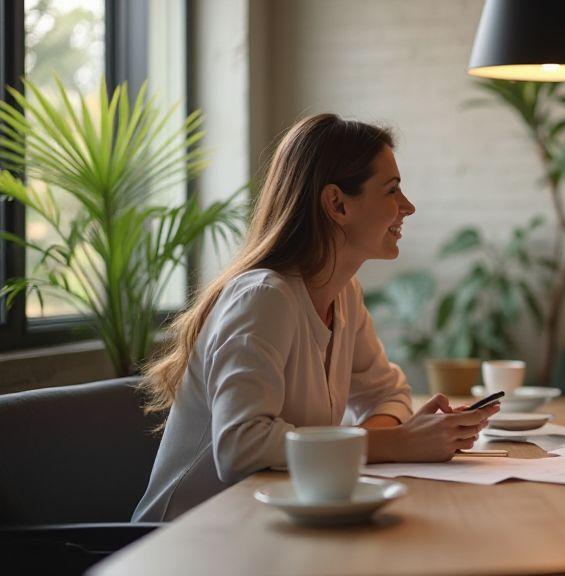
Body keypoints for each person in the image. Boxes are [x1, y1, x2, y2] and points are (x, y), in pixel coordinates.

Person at [133, 115, 498, 522]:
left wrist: (393, 439)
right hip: (185, 542)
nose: (407, 207)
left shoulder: (344, 294)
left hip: (274, 524)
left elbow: (387, 393)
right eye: (392, 190)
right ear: (337, 204)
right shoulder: (263, 298)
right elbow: (241, 447)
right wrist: (396, 443)